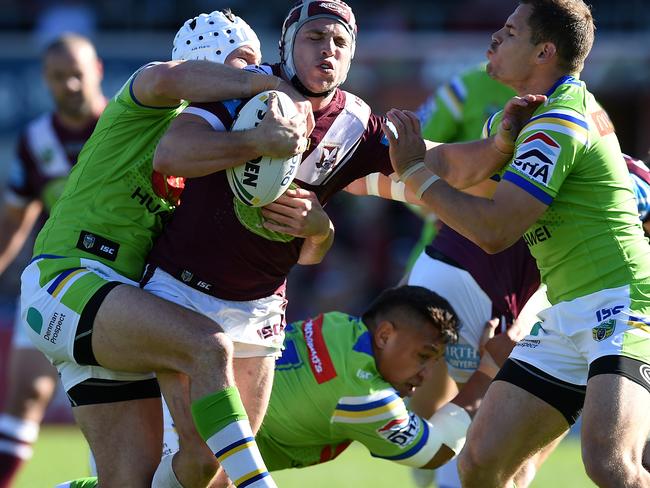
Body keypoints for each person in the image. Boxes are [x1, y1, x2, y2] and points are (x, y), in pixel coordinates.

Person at [140, 1, 544, 485]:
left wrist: (499, 146)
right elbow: (173, 152)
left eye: (340, 43)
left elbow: (438, 166)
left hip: (261, 309)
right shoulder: (243, 89)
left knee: (213, 473)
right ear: (287, 45)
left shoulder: (354, 122)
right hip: (181, 294)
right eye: (314, 38)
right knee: (192, 461)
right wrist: (259, 143)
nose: (327, 51)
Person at [18, 9, 309, 488]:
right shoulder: (153, 97)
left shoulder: (214, 143)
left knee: (139, 480)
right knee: (205, 344)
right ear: (210, 62)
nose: (254, 76)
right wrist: (264, 94)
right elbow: (169, 77)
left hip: (116, 310)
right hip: (69, 278)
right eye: (243, 63)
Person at [383, 1, 650, 486]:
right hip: (568, 310)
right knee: (480, 462)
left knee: (611, 465)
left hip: (624, 304)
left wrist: (417, 174)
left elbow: (494, 230)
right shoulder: (527, 116)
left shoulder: (559, 124)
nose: (495, 38)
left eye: (509, 31)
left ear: (544, 51)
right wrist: (334, 166)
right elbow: (458, 166)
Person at [59, 284, 498, 488]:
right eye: (424, 358)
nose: (424, 376)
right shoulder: (365, 396)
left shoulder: (340, 327)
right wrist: (488, 372)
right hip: (191, 439)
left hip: (177, 408)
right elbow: (435, 451)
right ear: (384, 335)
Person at [0, 34, 106, 488]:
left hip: (119, 286)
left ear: (98, 70)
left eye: (79, 73)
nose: (72, 84)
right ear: (46, 81)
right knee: (25, 395)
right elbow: (14, 220)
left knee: (114, 411)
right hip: (55, 284)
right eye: (60, 77)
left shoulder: (127, 128)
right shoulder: (35, 141)